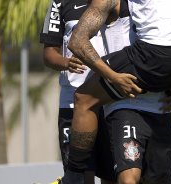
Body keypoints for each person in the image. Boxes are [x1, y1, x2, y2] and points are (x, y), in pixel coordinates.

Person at [61, 0, 171, 184]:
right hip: (129, 103)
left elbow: (77, 41)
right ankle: (74, 177)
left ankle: (73, 177)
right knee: (128, 179)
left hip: (156, 98)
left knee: (83, 98)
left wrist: (113, 76)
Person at [94, 1, 171, 183]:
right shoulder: (114, 3)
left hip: (159, 106)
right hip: (125, 103)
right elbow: (78, 40)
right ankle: (73, 174)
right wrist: (112, 76)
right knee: (128, 179)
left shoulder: (165, 6)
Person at [39, 0, 105, 183]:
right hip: (72, 103)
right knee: (80, 178)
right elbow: (48, 54)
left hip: (111, 100)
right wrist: (66, 63)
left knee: (113, 175)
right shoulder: (59, 3)